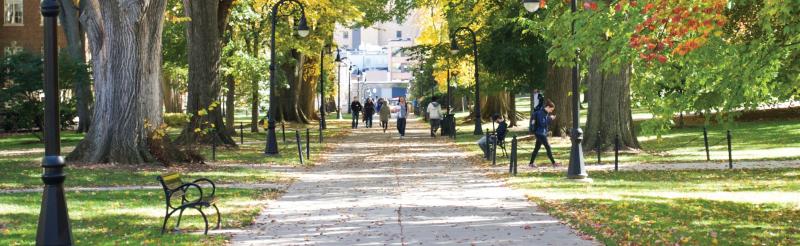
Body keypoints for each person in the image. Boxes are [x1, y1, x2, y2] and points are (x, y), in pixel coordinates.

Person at [529, 100, 560, 168]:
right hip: (540, 133)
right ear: (548, 107)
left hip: (540, 133)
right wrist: (550, 118)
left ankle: (531, 163)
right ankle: (553, 163)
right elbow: (542, 124)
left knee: (537, 148)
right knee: (548, 147)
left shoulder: (544, 113)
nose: (551, 111)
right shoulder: (541, 113)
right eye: (551, 109)